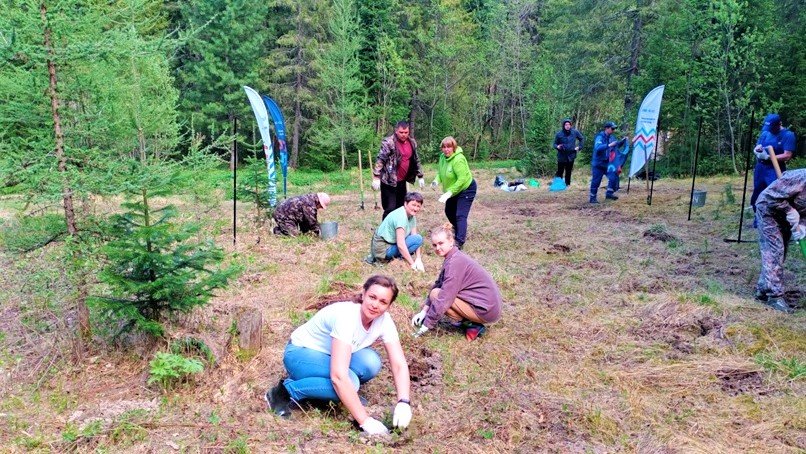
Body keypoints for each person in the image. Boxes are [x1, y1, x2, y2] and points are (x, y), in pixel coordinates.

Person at [265, 275, 412, 434]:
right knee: (350, 382)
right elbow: (339, 376)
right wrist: (365, 420)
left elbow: (398, 364)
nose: (375, 305)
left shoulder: (385, 321)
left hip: (327, 356)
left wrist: (404, 402)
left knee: (371, 362)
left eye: (383, 302)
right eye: (372, 297)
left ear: (389, 305)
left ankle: (331, 392)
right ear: (363, 294)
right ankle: (285, 391)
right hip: (300, 354)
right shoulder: (347, 317)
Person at [412, 224, 502, 341]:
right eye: (434, 245)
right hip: (485, 306)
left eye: (441, 243)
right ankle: (471, 322)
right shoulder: (453, 257)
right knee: (436, 292)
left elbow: (445, 298)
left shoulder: (455, 262)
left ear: (451, 241)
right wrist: (424, 311)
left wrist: (426, 325)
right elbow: (439, 283)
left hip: (486, 310)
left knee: (436, 295)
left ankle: (473, 325)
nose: (437, 248)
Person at [753, 169, 805, 313]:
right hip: (768, 210)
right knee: (774, 251)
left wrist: (802, 225)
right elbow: (770, 196)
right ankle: (774, 297)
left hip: (785, 217)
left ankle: (763, 290)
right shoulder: (800, 179)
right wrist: (789, 210)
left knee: (781, 254)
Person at [372, 121, 425, 220]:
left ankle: (398, 230)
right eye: (401, 132)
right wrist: (376, 176)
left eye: (406, 132)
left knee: (401, 208)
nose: (404, 135)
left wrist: (420, 176)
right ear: (396, 131)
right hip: (388, 182)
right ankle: (384, 232)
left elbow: (416, 159)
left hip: (402, 181)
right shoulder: (389, 142)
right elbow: (381, 159)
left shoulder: (412, 143)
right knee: (390, 209)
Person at [432, 136, 477, 249]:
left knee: (460, 215)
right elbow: (440, 173)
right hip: (453, 190)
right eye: (444, 147)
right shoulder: (442, 157)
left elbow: (462, 179)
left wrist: (449, 192)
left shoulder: (458, 159)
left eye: (449, 147)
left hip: (466, 188)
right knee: (449, 211)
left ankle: (459, 242)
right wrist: (436, 181)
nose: (446, 149)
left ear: (454, 147)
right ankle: (458, 230)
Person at [366, 192, 425, 271]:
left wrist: (418, 259)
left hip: (391, 244)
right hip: (383, 250)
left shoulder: (411, 215)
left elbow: (414, 235)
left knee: (417, 239)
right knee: (417, 239)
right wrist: (413, 264)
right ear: (405, 204)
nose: (416, 208)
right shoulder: (401, 217)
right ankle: (395, 259)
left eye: (418, 206)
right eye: (413, 205)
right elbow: (401, 245)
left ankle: (400, 257)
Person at [751, 114, 796, 214]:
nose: (769, 129)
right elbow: (759, 145)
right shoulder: (765, 133)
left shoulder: (788, 135)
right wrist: (757, 150)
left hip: (775, 168)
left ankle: (776, 219)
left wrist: (768, 157)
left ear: (779, 124)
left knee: (774, 194)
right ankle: (758, 218)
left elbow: (787, 155)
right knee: (758, 192)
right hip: (760, 168)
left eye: (772, 127)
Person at [590, 121, 627, 203]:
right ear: (606, 128)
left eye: (614, 129)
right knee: (596, 181)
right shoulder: (600, 137)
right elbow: (598, 147)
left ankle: (609, 194)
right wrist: (609, 145)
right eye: (612, 128)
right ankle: (592, 198)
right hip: (598, 164)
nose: (613, 130)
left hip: (608, 164)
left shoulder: (611, 137)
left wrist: (623, 141)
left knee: (614, 176)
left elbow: (616, 146)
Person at [552, 118, 585, 187]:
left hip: (571, 155)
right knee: (560, 171)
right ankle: (559, 184)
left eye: (569, 124)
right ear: (563, 126)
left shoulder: (575, 132)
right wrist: (557, 146)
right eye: (566, 124)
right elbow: (554, 144)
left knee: (568, 171)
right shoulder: (559, 134)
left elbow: (581, 139)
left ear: (570, 125)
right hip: (561, 155)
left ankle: (567, 184)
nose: (567, 126)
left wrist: (579, 147)